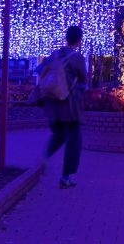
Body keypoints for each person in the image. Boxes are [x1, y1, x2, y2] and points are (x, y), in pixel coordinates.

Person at [36, 26, 87, 189]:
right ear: (79, 40)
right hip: (70, 106)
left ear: (66, 38)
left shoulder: (55, 54)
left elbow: (40, 70)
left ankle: (44, 156)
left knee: (58, 135)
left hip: (53, 105)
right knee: (74, 140)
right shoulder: (77, 58)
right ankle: (66, 177)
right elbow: (83, 81)